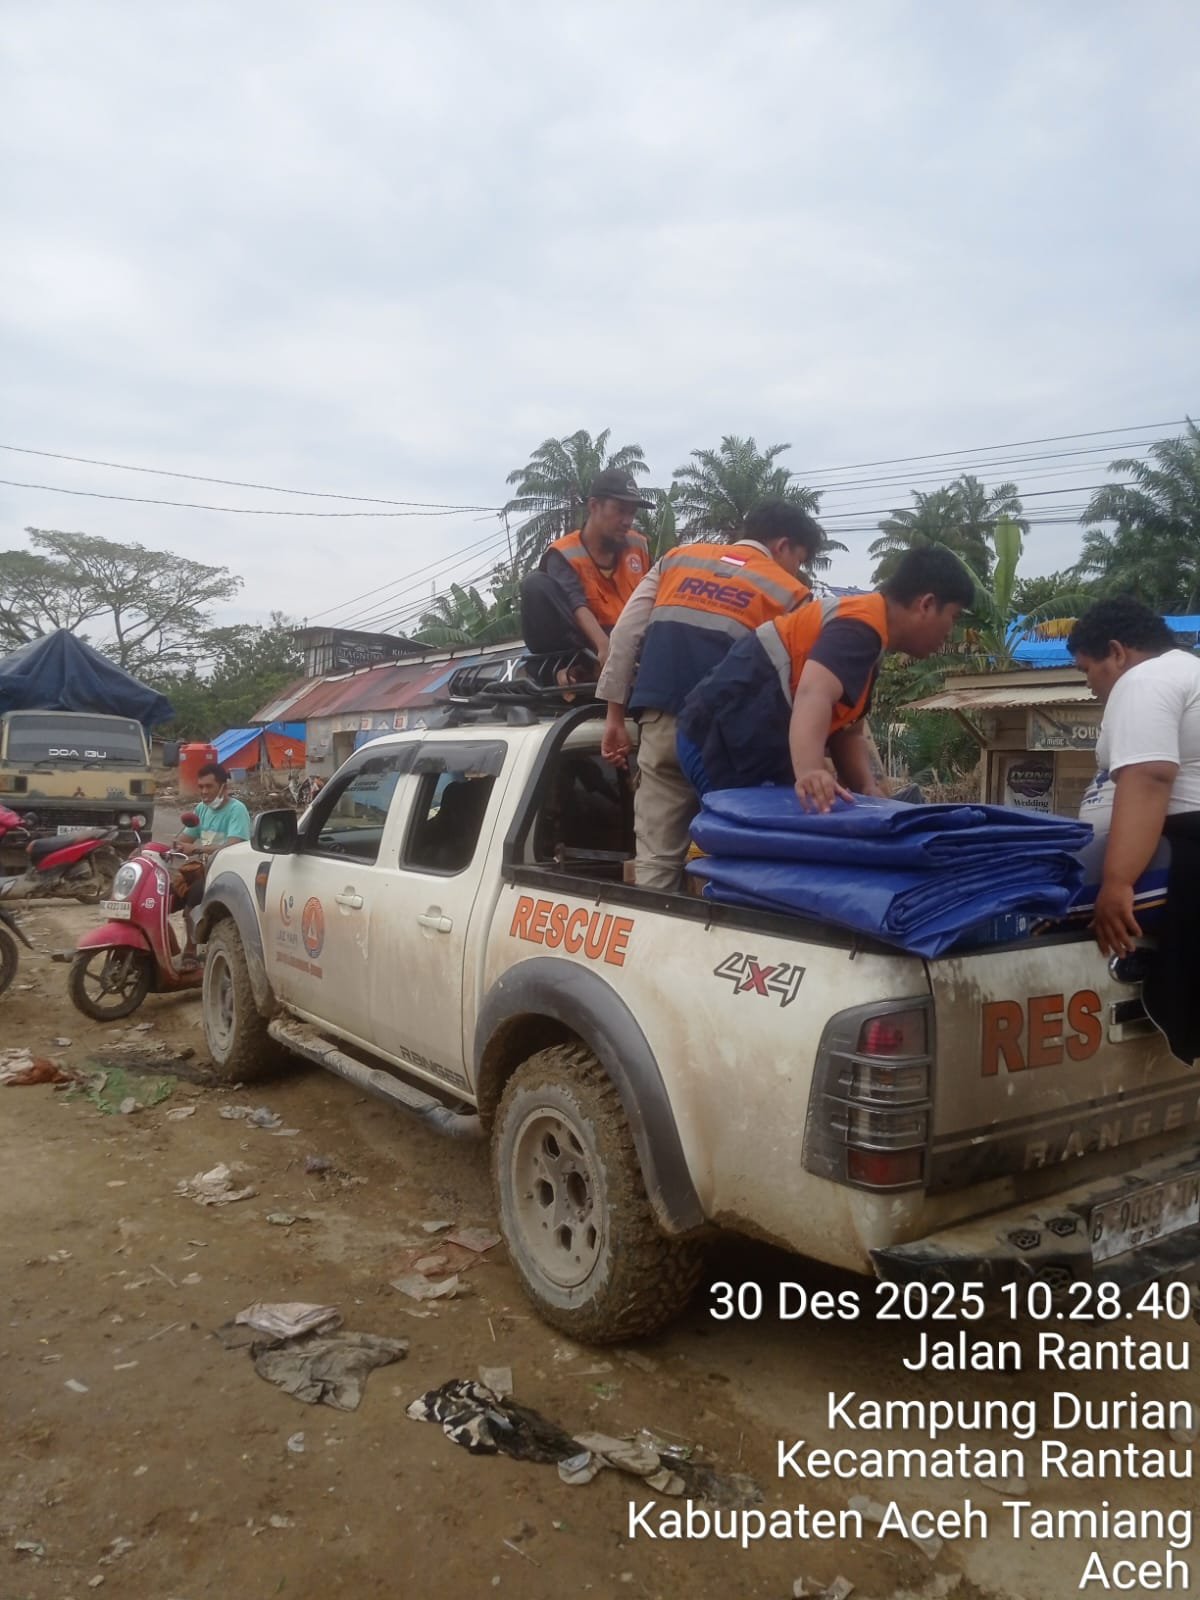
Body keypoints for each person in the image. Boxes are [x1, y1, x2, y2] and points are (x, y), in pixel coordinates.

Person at [598, 498, 822, 889]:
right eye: (799, 559)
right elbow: (800, 688)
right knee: (739, 855)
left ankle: (652, 947)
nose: (797, 570)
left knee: (655, 861)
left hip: (658, 724)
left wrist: (614, 718)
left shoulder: (677, 559)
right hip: (728, 744)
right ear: (784, 545)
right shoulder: (791, 594)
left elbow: (623, 635)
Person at [677, 546, 974, 809]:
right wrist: (810, 771)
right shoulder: (859, 628)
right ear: (926, 604)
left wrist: (867, 789)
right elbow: (813, 693)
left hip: (742, 748)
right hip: (715, 743)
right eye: (954, 616)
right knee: (750, 851)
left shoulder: (871, 644)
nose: (951, 630)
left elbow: (849, 731)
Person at [1067, 598, 1200, 959]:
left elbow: (1149, 778)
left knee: (1025, 900)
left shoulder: (1146, 678)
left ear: (1116, 652)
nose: (1089, 684)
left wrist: (1118, 882)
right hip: (1173, 849)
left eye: (1087, 669)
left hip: (1180, 852)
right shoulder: (1183, 672)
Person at [519, 467, 653, 672]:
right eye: (620, 510)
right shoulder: (564, 553)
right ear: (594, 506)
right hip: (588, 641)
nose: (627, 521)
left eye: (632, 513)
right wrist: (604, 648)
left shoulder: (639, 545)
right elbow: (575, 602)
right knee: (535, 585)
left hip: (633, 638)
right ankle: (567, 670)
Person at [174, 761, 253, 968]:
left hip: (228, 873)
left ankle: (190, 952)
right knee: (166, 893)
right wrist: (167, 847)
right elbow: (185, 839)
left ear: (223, 787)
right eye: (200, 787)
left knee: (192, 899)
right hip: (206, 869)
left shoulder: (237, 810)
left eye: (209, 787)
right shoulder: (201, 809)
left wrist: (197, 850)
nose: (204, 792)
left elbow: (233, 845)